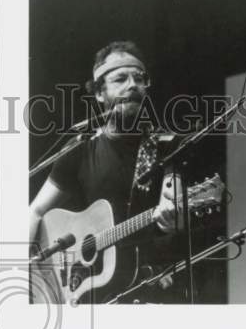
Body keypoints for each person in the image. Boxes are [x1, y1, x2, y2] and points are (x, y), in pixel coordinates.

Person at [27, 41, 204, 302]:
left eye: (139, 78)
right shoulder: (79, 148)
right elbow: (36, 211)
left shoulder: (167, 145)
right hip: (90, 294)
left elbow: (174, 215)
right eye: (121, 78)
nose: (133, 85)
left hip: (149, 288)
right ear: (99, 93)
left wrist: (171, 216)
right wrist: (27, 273)